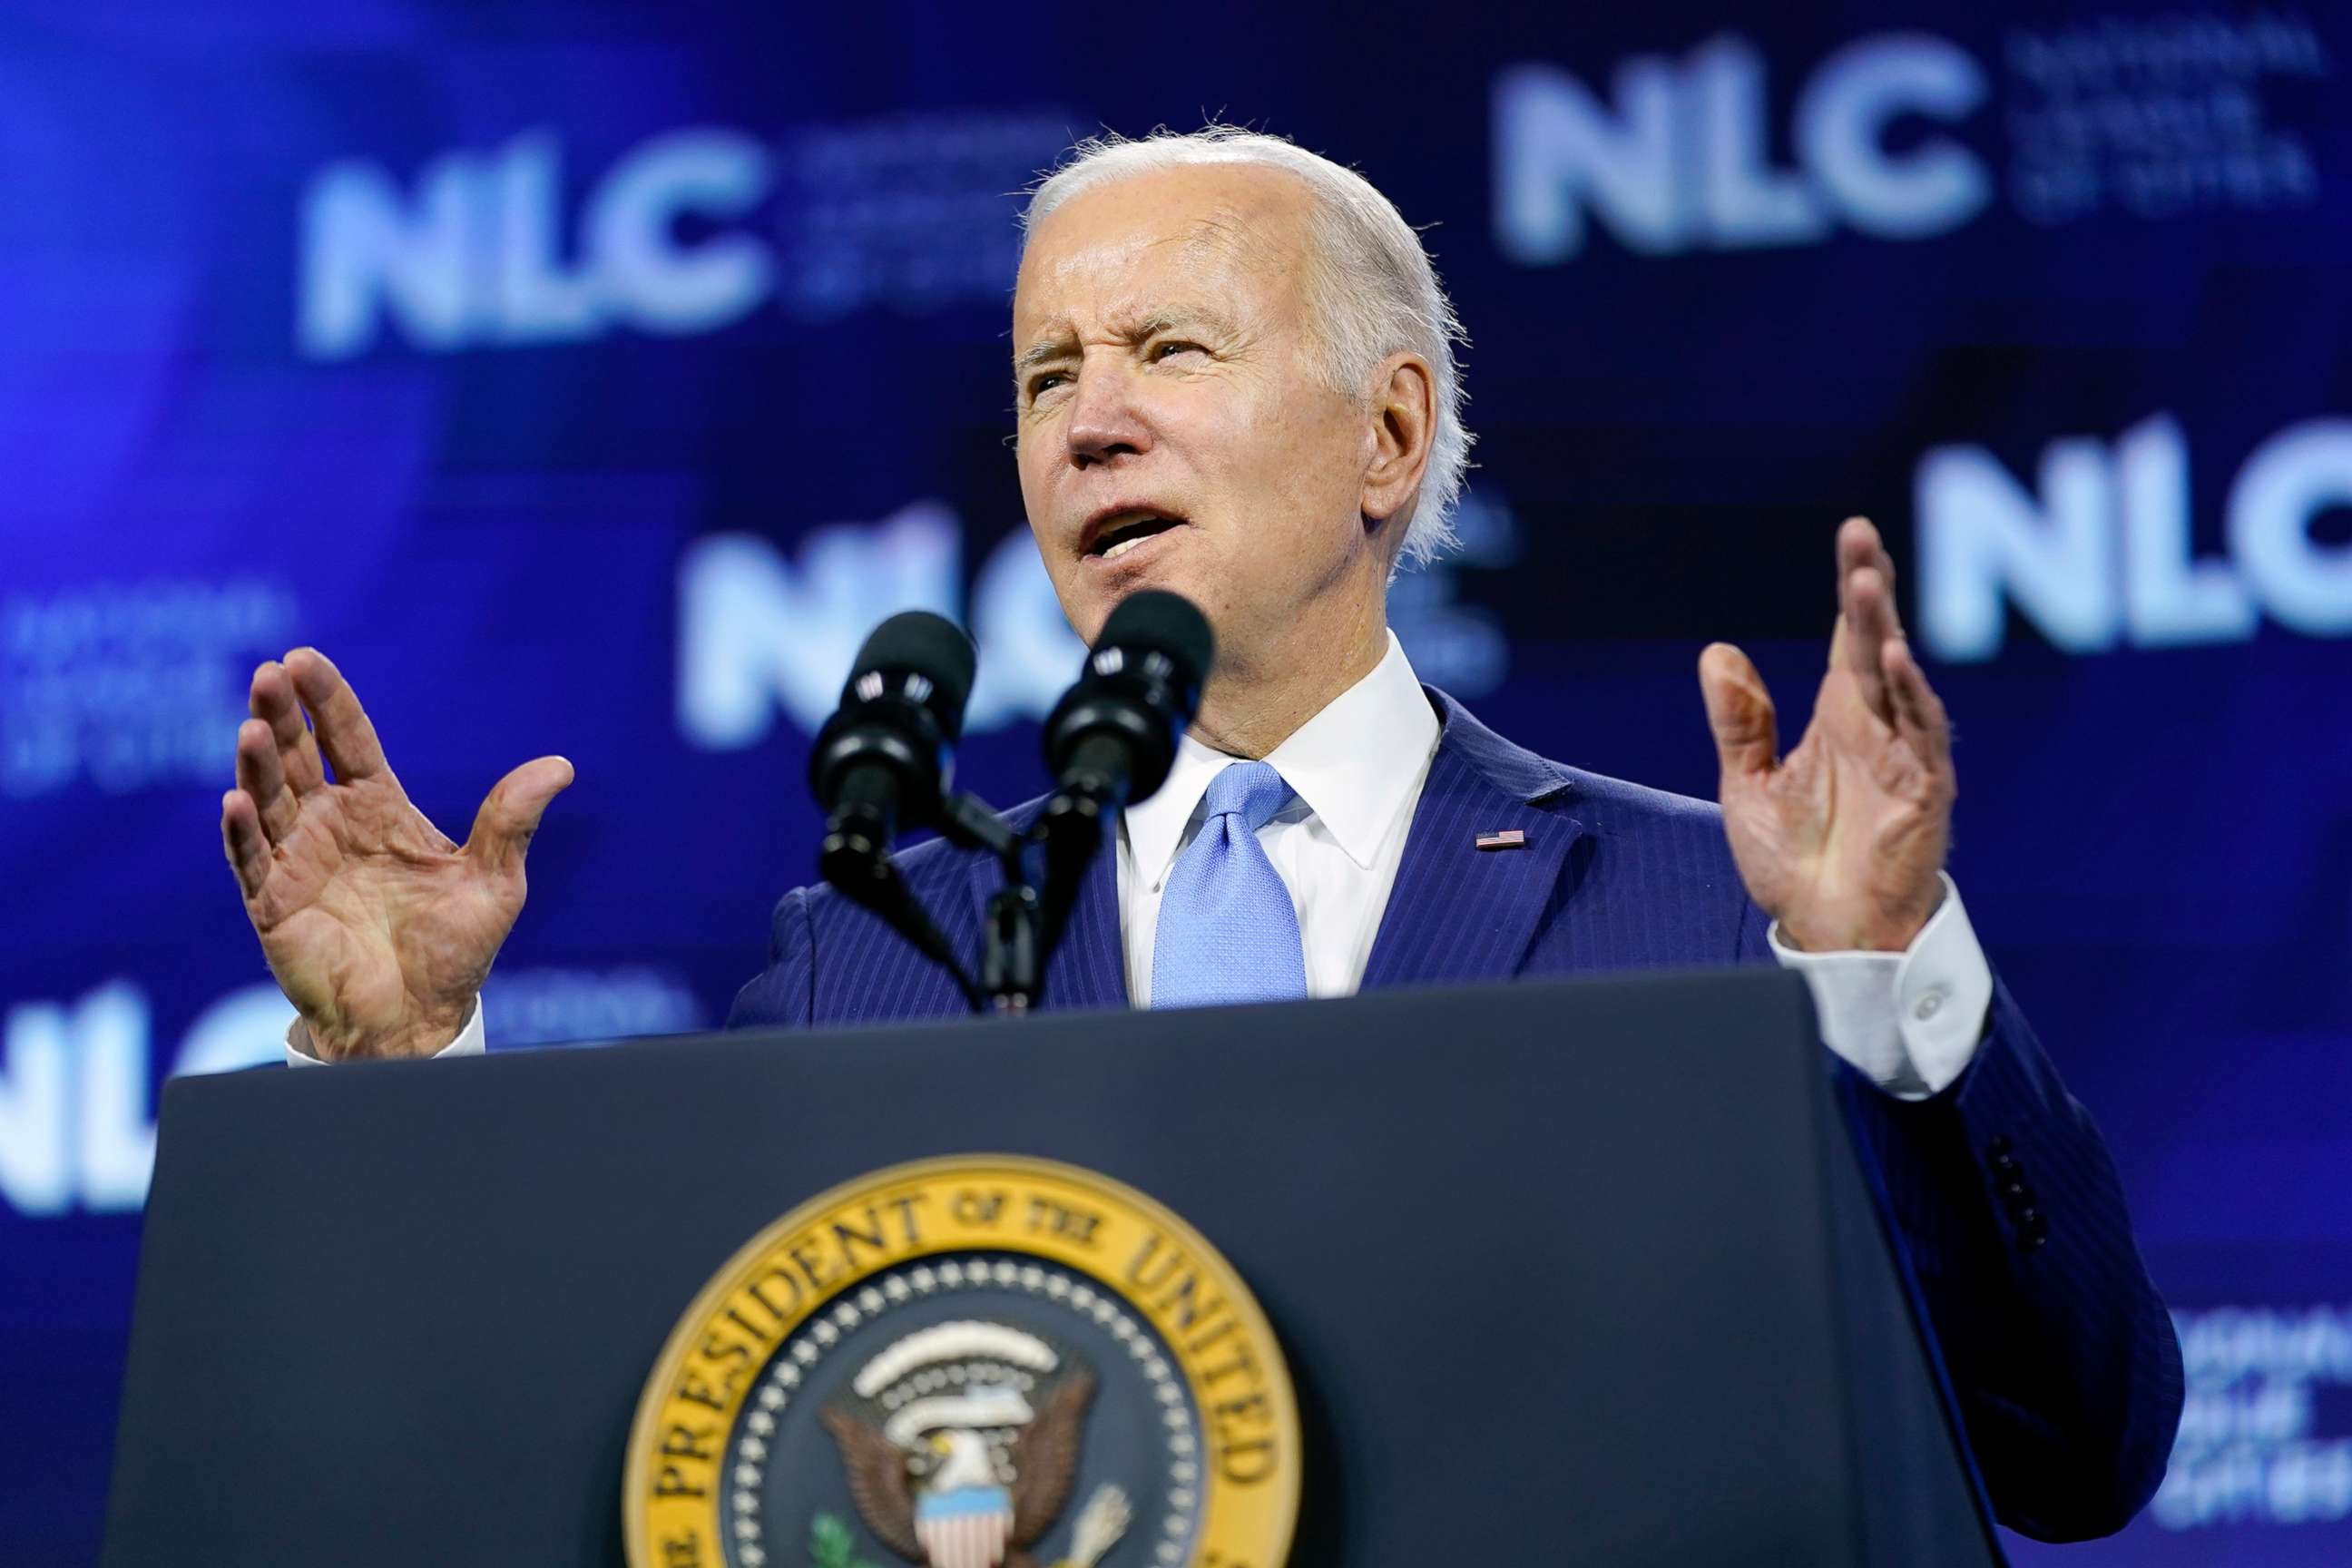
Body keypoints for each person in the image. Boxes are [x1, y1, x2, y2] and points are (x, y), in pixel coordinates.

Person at [218, 128, 2181, 1539]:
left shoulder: (1694, 901)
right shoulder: (884, 938)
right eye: (1047, 378)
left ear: (1389, 441)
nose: (1087, 426)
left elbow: (2069, 1453)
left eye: (1170, 353)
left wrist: (1872, 976)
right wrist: (406, 1079)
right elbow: (663, 1440)